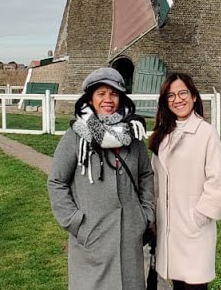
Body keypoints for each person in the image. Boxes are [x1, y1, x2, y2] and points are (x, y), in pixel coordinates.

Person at [48, 67, 154, 290]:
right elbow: (56, 182)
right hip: (92, 236)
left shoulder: (132, 136)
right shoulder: (76, 136)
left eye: (114, 94)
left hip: (128, 235)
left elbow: (145, 174)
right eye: (101, 93)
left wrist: (145, 215)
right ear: (91, 98)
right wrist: (76, 223)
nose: (108, 99)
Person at [148, 72, 221, 290]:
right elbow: (155, 179)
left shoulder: (206, 133)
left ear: (194, 96)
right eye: (171, 96)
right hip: (168, 228)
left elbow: (218, 182)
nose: (178, 99)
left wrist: (198, 217)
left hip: (193, 229)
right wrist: (155, 218)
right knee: (178, 284)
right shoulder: (163, 134)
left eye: (183, 93)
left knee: (194, 285)